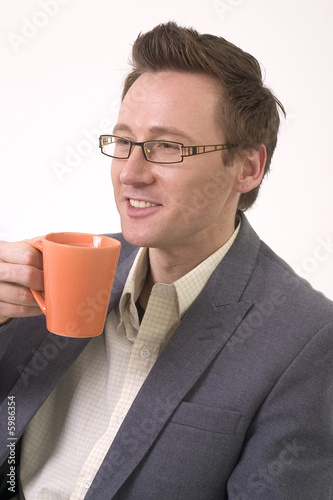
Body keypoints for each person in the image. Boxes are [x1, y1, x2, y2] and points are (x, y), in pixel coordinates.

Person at [0, 21, 332, 500]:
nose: (131, 174)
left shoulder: (307, 340)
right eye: (124, 141)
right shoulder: (55, 267)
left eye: (167, 147)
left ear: (247, 167)